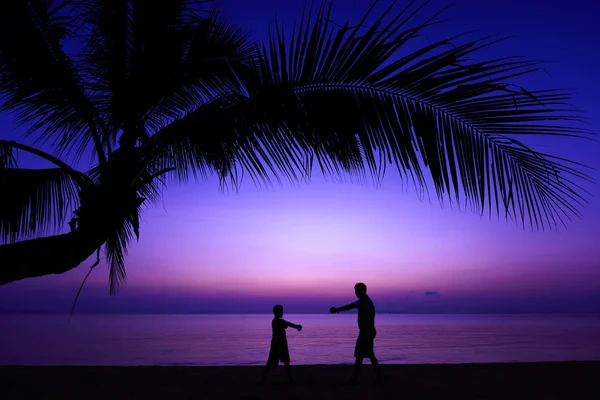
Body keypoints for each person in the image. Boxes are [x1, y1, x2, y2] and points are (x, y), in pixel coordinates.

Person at [330, 282, 383, 385]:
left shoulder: (363, 302)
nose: (355, 293)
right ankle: (375, 377)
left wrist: (337, 309)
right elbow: (351, 306)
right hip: (368, 332)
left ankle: (356, 378)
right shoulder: (366, 301)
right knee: (365, 355)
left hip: (366, 333)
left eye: (356, 291)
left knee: (362, 355)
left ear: (361, 291)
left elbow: (349, 306)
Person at [259, 304, 303, 384]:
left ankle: (262, 380)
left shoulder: (275, 321)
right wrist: (297, 326)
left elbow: (287, 324)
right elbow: (289, 324)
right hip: (280, 344)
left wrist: (296, 326)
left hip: (276, 343)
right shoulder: (278, 321)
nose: (282, 313)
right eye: (281, 311)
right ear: (279, 312)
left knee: (272, 362)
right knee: (284, 362)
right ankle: (290, 379)